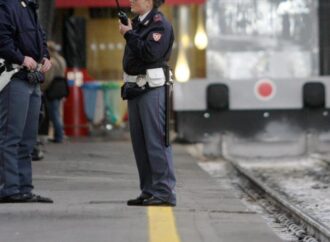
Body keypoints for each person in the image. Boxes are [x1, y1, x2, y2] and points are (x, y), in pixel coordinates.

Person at [119, 0, 176, 206]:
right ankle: (149, 189)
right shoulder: (139, 24)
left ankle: (164, 192)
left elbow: (150, 53)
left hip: (151, 88)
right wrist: (131, 31)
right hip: (135, 89)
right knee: (140, 143)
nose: (132, 0)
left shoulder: (159, 24)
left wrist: (128, 34)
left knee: (156, 141)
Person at [0, 0, 53, 203]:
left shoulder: (29, 7)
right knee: (10, 136)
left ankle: (24, 187)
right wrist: (21, 58)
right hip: (15, 77)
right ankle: (9, 188)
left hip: (32, 79)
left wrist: (45, 55)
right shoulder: (6, 6)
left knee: (27, 140)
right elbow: (2, 39)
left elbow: (40, 36)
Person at [41, 41, 67, 143]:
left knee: (54, 113)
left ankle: (59, 136)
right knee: (58, 112)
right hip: (61, 87)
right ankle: (59, 135)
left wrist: (42, 88)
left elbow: (48, 78)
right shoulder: (61, 59)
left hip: (53, 89)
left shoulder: (52, 61)